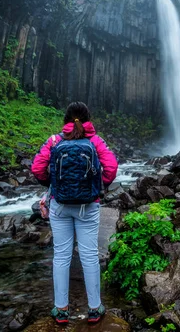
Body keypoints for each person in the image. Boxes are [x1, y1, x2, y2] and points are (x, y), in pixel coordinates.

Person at [31, 101, 118, 325]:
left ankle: (61, 310)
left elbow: (37, 168)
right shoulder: (95, 141)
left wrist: (53, 186)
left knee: (61, 255)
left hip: (59, 205)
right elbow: (111, 167)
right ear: (88, 120)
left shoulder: (54, 140)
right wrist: (98, 187)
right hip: (88, 206)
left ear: (65, 120)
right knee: (89, 255)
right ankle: (95, 308)